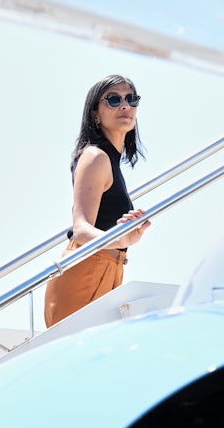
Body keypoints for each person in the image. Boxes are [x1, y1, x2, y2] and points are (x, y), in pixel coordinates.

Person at [44, 74, 151, 327]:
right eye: (113, 100)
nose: (125, 106)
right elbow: (80, 230)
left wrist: (125, 238)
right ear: (95, 115)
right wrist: (122, 239)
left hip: (107, 269)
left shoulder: (109, 160)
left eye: (131, 99)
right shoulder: (96, 157)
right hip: (86, 271)